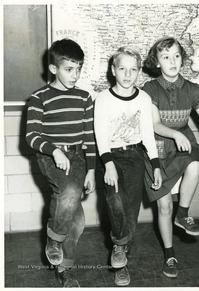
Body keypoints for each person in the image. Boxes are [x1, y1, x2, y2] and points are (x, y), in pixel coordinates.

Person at [142, 36, 199, 278]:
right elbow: (153, 125)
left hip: (183, 143)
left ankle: (183, 214)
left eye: (176, 55)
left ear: (182, 58)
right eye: (165, 57)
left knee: (195, 163)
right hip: (157, 148)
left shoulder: (193, 89)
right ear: (157, 62)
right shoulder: (150, 89)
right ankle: (169, 254)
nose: (172, 61)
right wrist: (174, 133)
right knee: (163, 206)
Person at [26, 38, 96, 287]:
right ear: (54, 68)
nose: (75, 75)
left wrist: (91, 170)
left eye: (79, 69)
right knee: (69, 191)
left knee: (76, 220)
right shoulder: (39, 98)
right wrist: (55, 151)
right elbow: (32, 136)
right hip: (50, 157)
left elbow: (89, 137)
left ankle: (65, 271)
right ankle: (53, 239)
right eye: (69, 69)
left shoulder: (85, 97)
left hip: (78, 157)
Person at [94, 46, 162, 286]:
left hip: (134, 158)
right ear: (113, 71)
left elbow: (148, 136)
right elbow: (100, 135)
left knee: (131, 210)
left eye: (133, 69)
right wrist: (108, 164)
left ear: (139, 72)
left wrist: (155, 165)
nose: (127, 74)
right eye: (122, 68)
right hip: (109, 158)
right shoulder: (103, 99)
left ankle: (121, 259)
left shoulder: (144, 99)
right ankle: (119, 245)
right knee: (115, 203)